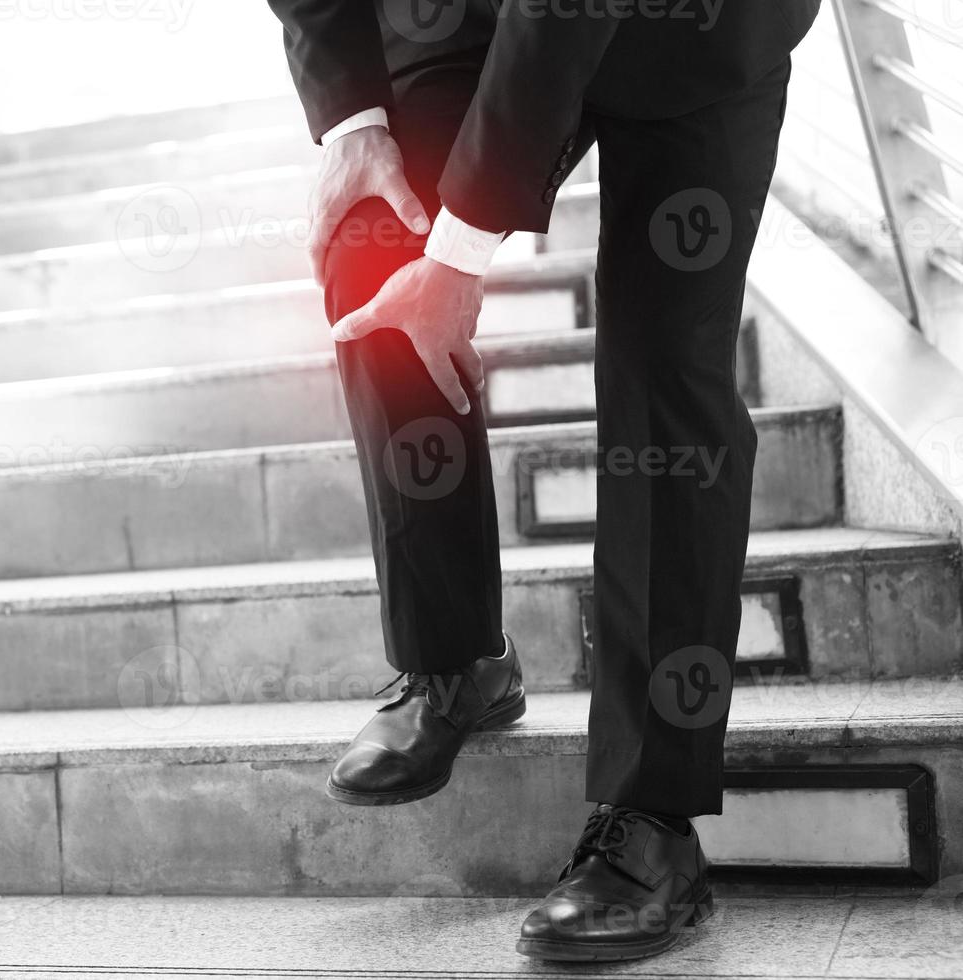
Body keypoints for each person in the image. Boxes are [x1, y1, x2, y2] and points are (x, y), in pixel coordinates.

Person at [265, 0, 821, 961]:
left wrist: (462, 253)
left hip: (700, 36)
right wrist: (353, 120)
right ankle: (458, 661)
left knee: (662, 378)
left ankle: (652, 826)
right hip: (468, 24)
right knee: (373, 252)